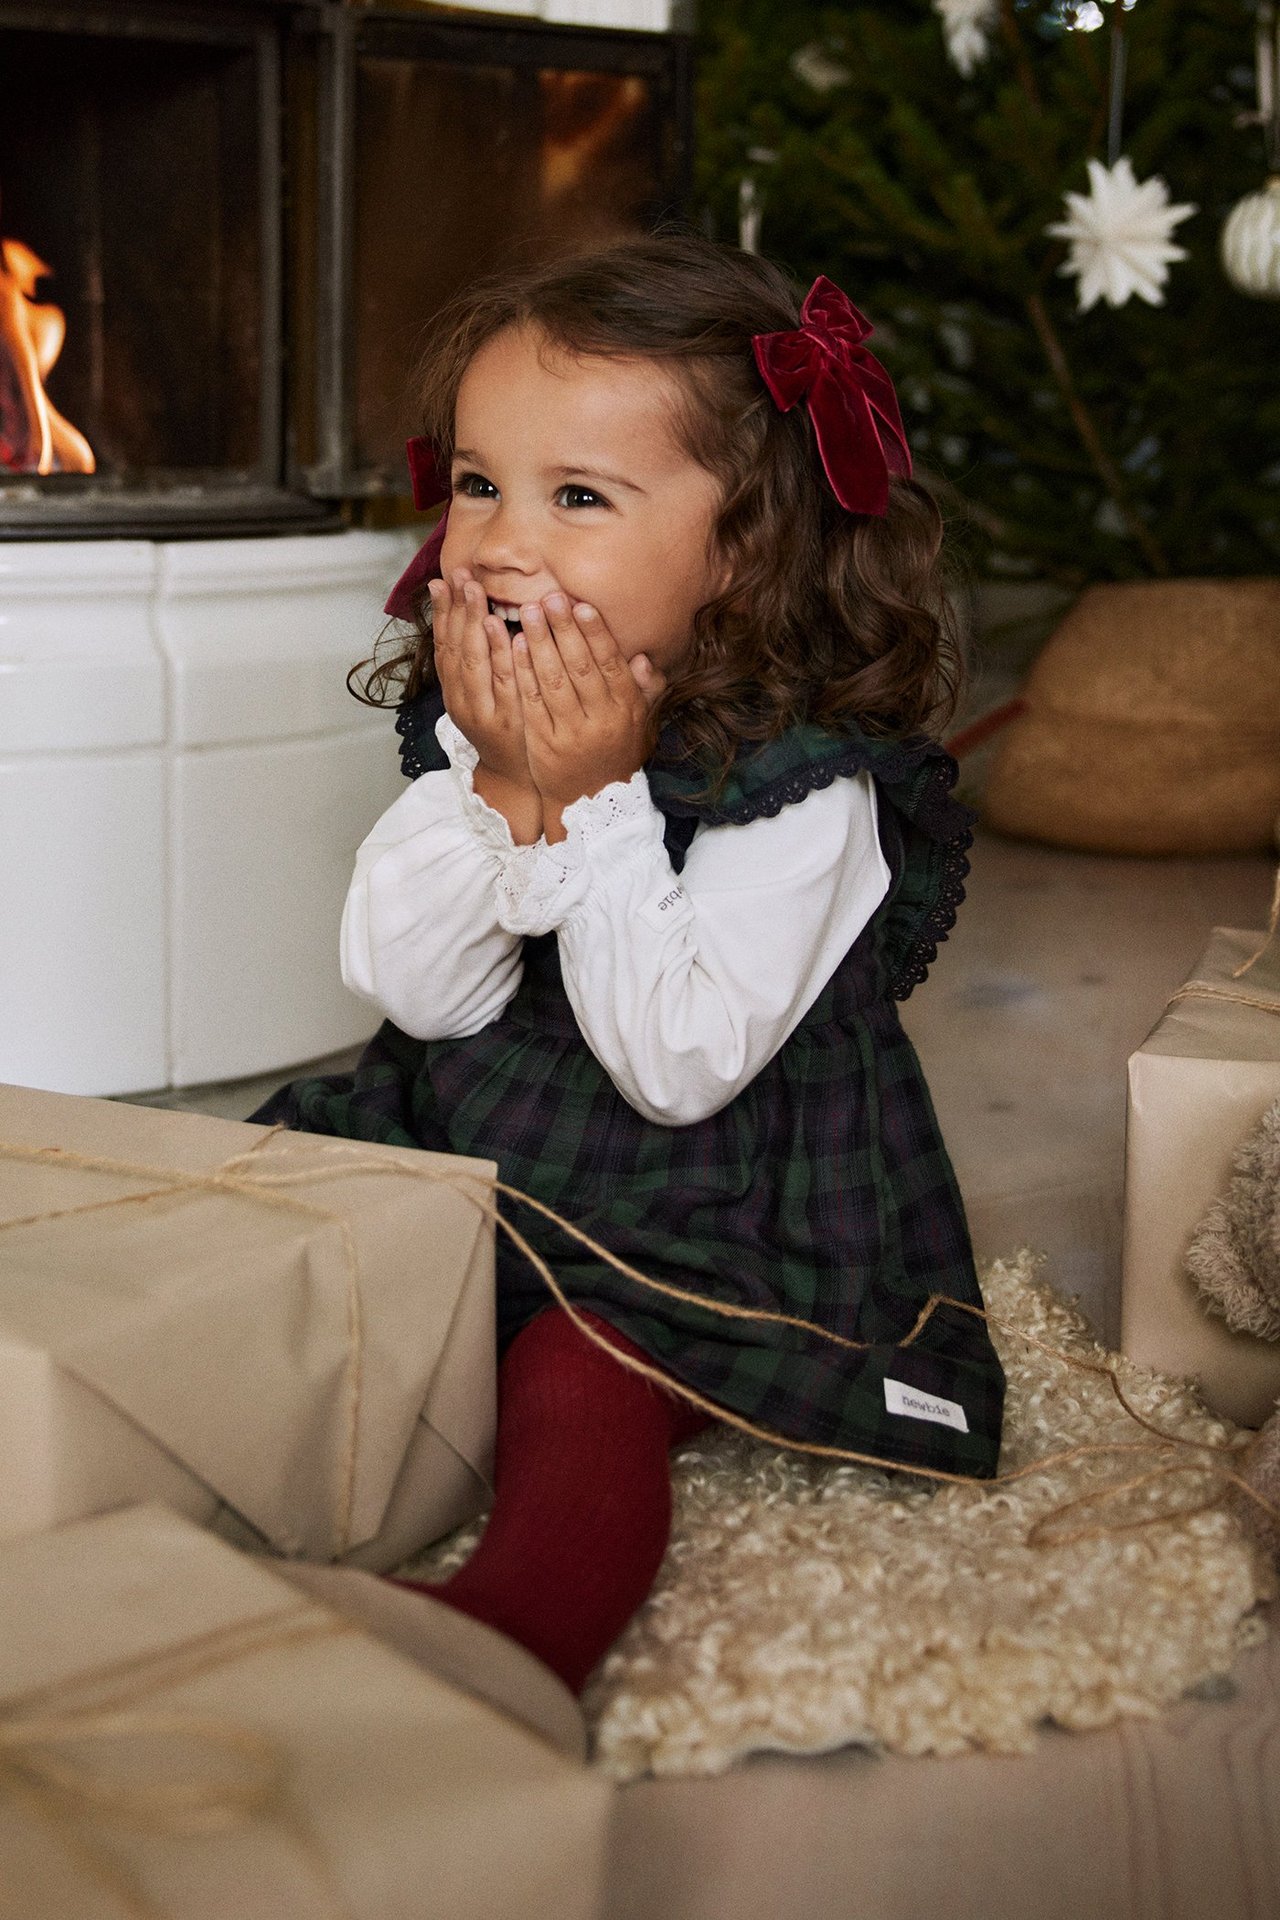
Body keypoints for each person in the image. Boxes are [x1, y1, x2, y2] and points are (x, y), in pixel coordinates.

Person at [256, 232, 1005, 1694]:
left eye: (580, 497)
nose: (496, 543)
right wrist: (507, 782)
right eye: (478, 483)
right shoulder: (491, 711)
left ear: (747, 550)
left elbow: (674, 1066)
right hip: (482, 1130)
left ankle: (515, 1633)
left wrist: (594, 796)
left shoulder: (811, 788)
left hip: (710, 1192)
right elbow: (422, 993)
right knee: (313, 1258)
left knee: (584, 1364)